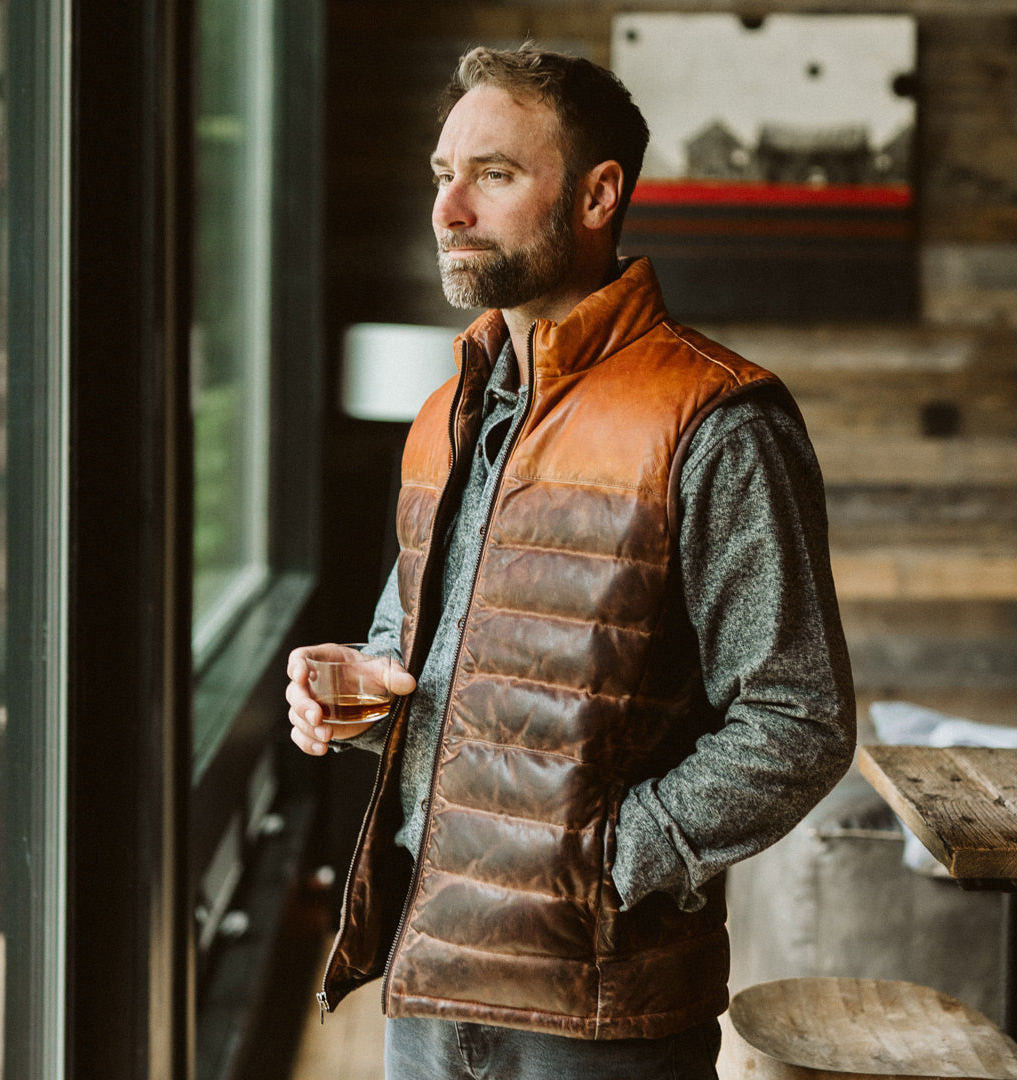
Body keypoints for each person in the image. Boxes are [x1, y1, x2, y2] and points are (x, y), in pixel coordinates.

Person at [286, 42, 856, 1080]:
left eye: (493, 176)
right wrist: (366, 695)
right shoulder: (446, 414)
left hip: (596, 1018)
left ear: (598, 196)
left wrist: (606, 859)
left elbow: (798, 718)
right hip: (425, 983)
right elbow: (417, 645)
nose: (448, 208)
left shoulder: (717, 421)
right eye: (441, 175)